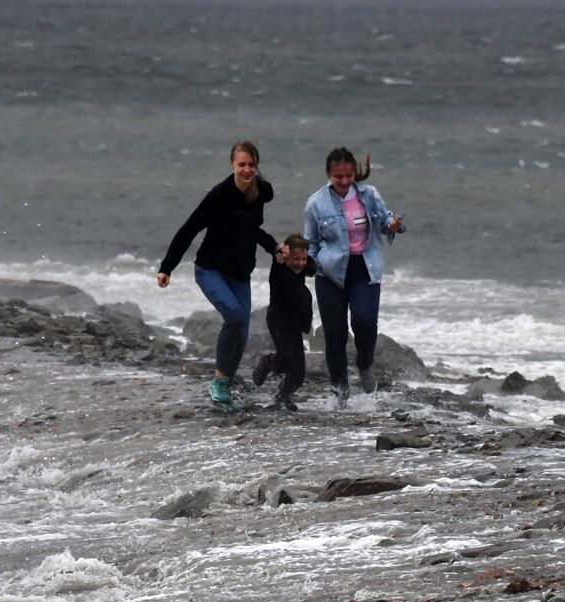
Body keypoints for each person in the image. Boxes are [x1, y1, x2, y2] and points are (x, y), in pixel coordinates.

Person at [157, 140, 286, 411]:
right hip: (210, 269)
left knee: (242, 329)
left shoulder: (261, 192)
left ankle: (224, 386)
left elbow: (254, 229)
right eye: (242, 164)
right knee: (235, 316)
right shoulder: (219, 195)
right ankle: (217, 382)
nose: (247, 169)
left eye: (251, 164)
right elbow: (188, 229)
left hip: (240, 273)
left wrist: (273, 247)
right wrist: (167, 267)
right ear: (232, 164)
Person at [303, 147, 406, 405]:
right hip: (329, 274)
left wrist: (394, 224)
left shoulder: (368, 195)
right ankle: (341, 393)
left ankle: (365, 364)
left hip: (364, 269)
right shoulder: (316, 203)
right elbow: (311, 243)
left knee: (365, 322)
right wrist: (306, 265)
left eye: (349, 175)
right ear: (329, 174)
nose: (345, 181)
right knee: (335, 334)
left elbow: (386, 221)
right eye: (339, 177)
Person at [251, 234, 317, 411]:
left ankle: (283, 397)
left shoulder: (302, 267)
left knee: (299, 373)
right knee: (287, 358)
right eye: (296, 259)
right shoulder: (279, 268)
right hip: (279, 322)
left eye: (303, 259)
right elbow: (264, 240)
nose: (300, 263)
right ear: (286, 256)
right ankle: (267, 362)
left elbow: (311, 267)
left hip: (296, 325)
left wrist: (305, 260)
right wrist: (277, 252)